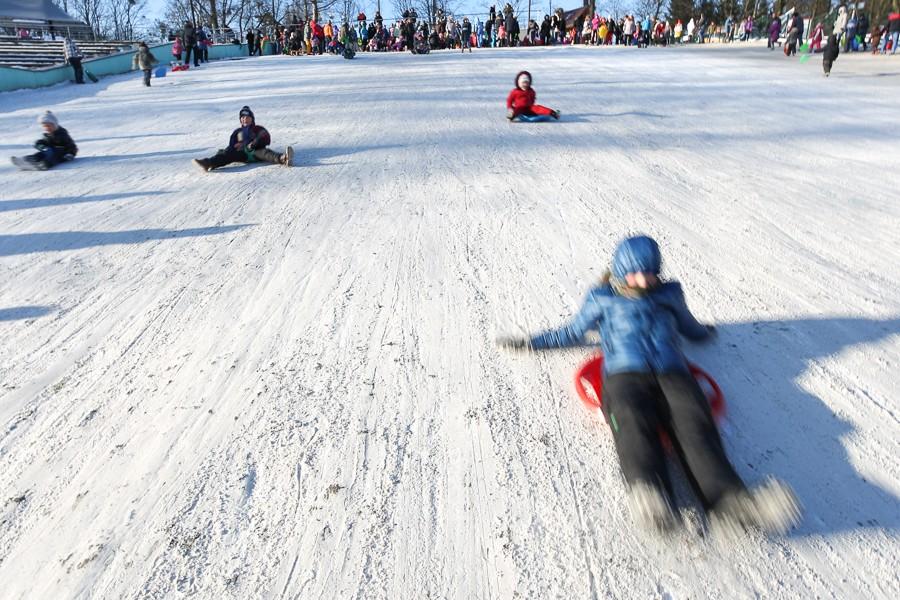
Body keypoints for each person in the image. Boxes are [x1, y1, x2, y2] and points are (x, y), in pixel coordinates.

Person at [496, 235, 802, 536]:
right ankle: (651, 495)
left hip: (673, 372)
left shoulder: (670, 294)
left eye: (650, 273)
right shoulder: (601, 298)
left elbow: (687, 324)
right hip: (624, 374)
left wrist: (702, 333)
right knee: (631, 418)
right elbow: (571, 332)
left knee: (694, 420)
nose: (644, 282)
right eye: (635, 274)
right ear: (619, 272)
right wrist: (530, 343)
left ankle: (731, 503)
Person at [193, 106, 293, 172]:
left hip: (256, 152)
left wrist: (255, 142)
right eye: (242, 117)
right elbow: (231, 145)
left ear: (252, 119)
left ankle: (283, 158)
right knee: (227, 154)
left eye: (247, 117)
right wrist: (235, 146)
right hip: (242, 155)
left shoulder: (258, 129)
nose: (245, 119)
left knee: (266, 153)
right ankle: (209, 163)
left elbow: (266, 138)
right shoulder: (237, 132)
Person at [11, 111, 78, 170]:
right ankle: (24, 160)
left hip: (61, 154)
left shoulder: (62, 134)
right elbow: (44, 142)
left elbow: (72, 146)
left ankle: (45, 164)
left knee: (54, 155)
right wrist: (39, 144)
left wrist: (70, 154)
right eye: (45, 126)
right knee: (39, 154)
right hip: (50, 152)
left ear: (55, 125)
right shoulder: (47, 135)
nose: (47, 128)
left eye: (49, 126)